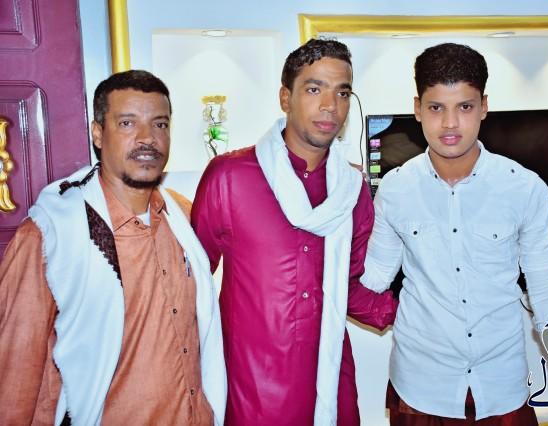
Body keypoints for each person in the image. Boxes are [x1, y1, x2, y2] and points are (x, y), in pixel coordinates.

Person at [361, 43, 548, 426]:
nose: (450, 124)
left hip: (501, 387)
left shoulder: (525, 188)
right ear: (418, 108)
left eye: (465, 107)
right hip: (419, 386)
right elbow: (373, 277)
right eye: (436, 108)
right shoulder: (395, 188)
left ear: (484, 107)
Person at [0, 70, 226, 425]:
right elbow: (15, 374)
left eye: (160, 124)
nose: (147, 138)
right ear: (97, 133)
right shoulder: (51, 235)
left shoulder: (182, 218)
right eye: (127, 123)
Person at [192, 39, 397, 426]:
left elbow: (349, 286)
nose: (330, 106)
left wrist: (416, 313)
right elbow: (189, 284)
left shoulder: (351, 190)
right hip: (250, 390)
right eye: (314, 89)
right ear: (285, 97)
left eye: (342, 93)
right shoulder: (229, 178)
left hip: (329, 382)